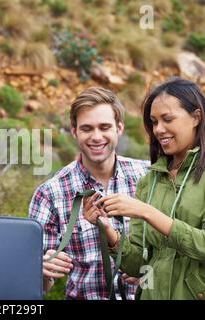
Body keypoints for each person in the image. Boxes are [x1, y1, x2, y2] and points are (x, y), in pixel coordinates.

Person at [84, 77, 205, 300]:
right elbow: (138, 265)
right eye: (153, 121)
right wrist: (109, 231)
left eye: (167, 119)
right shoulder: (149, 181)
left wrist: (146, 212)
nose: (158, 129)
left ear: (196, 117)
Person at [29, 87, 149, 300]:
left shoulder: (147, 178)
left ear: (119, 128)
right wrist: (43, 270)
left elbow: (175, 252)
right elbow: (36, 287)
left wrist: (151, 269)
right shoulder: (50, 194)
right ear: (74, 131)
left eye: (104, 127)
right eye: (86, 128)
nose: (96, 137)